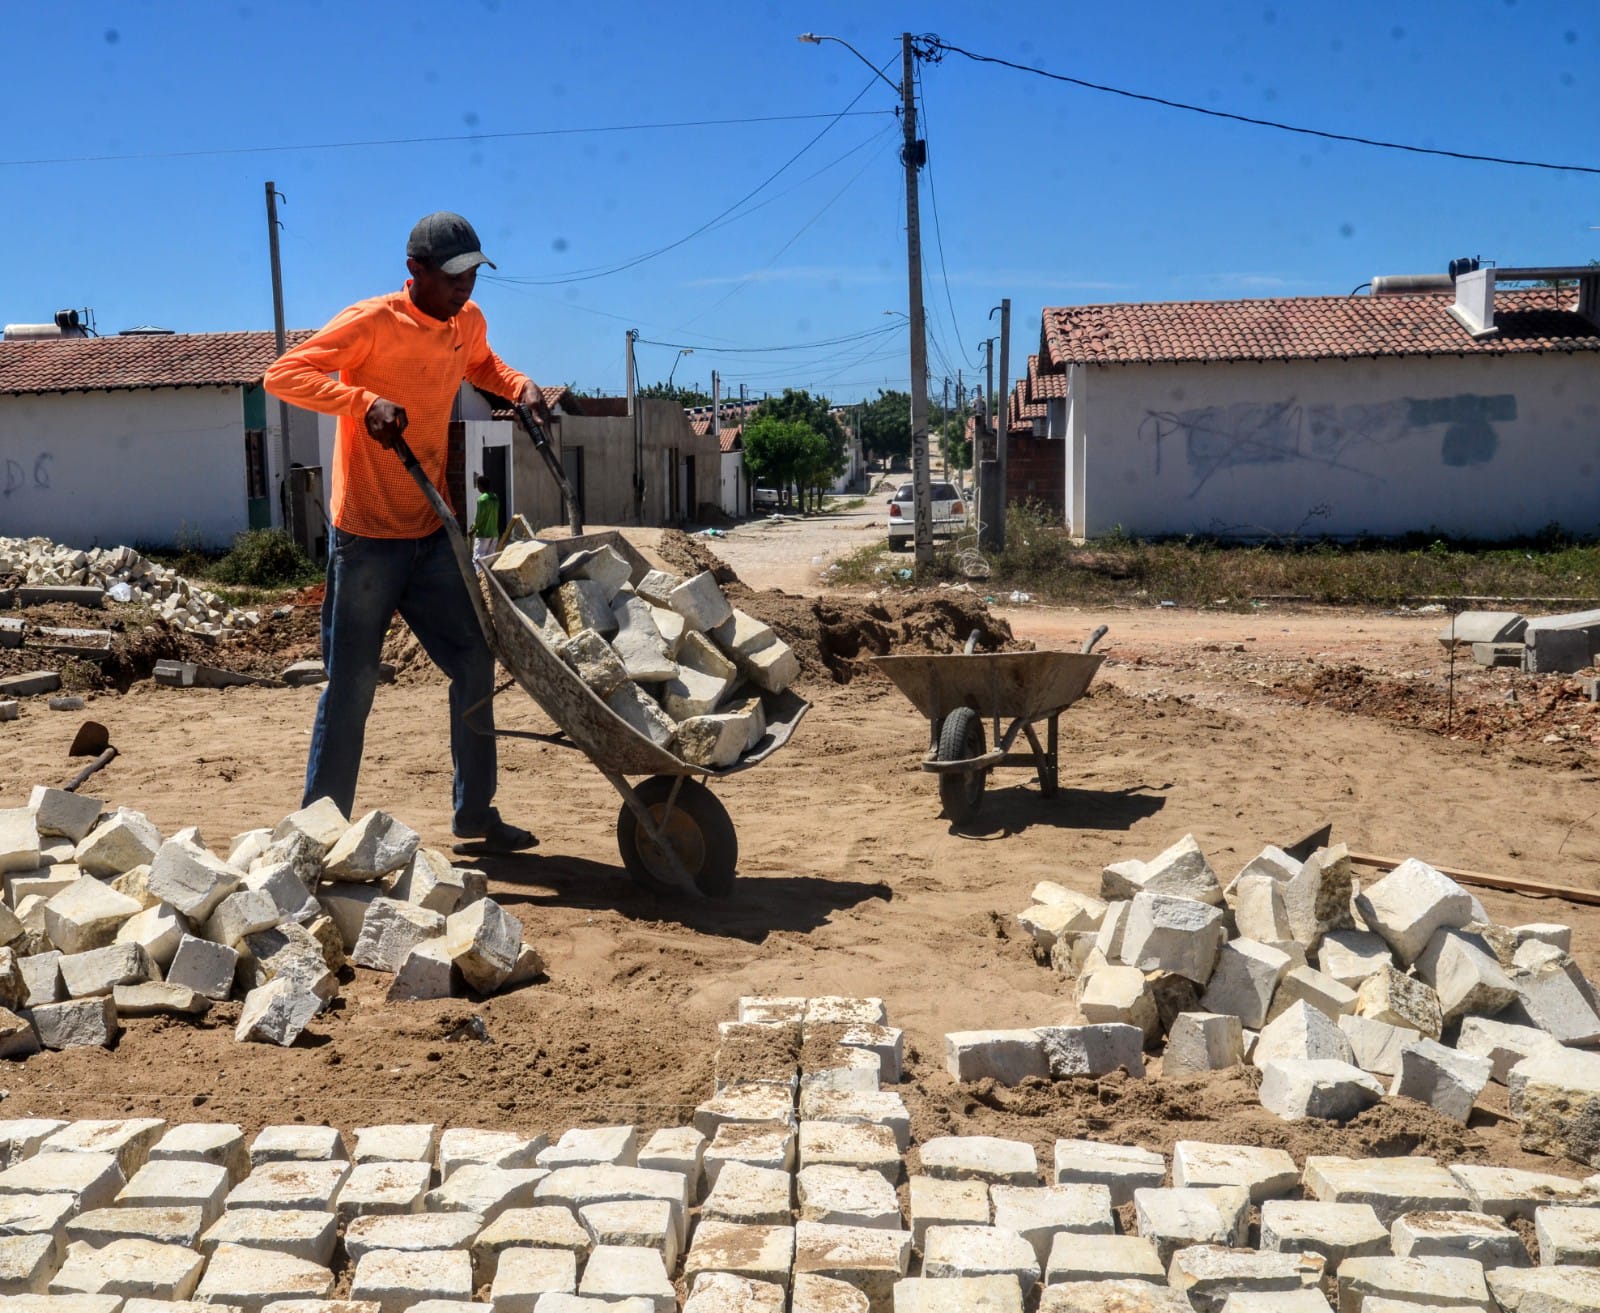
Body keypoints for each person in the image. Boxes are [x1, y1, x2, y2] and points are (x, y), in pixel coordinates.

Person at [264, 210, 555, 851]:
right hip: (366, 537)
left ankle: (474, 814)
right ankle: (319, 830)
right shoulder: (372, 322)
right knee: (353, 682)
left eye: (473, 274)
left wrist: (520, 386)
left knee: (474, 662)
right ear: (415, 271)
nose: (464, 287)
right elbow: (282, 375)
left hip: (431, 531)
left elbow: (483, 365)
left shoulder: (465, 324)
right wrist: (361, 402)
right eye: (452, 275)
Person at [470, 473, 501, 560]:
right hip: (494, 533)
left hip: (483, 534)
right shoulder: (495, 497)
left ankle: (478, 574)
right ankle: (487, 574)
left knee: (478, 559)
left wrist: (473, 530)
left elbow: (480, 518)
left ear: (480, 486)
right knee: (489, 559)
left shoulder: (482, 499)